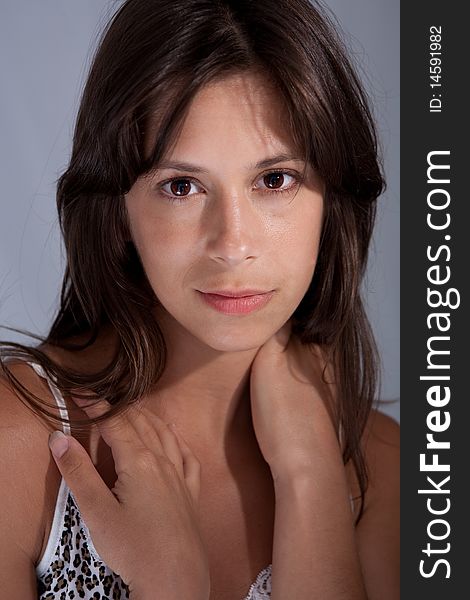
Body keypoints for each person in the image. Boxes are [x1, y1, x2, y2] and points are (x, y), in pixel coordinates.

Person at [0, 0, 399, 598]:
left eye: (274, 180)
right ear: (117, 213)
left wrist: (311, 481)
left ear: (331, 198)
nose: (232, 245)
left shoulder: (384, 467)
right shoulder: (26, 439)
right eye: (181, 186)